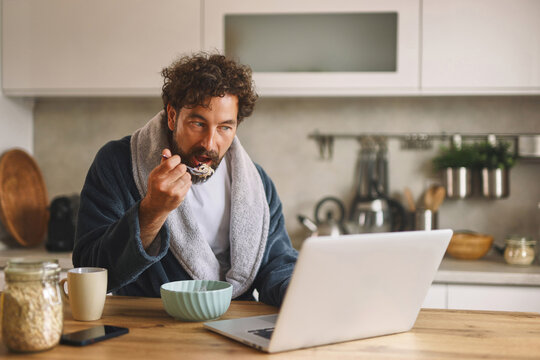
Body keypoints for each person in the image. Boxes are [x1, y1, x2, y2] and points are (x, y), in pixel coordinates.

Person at [73, 53, 298, 307]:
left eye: (225, 127)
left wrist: (303, 293)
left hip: (237, 329)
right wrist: (151, 211)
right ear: (172, 116)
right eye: (198, 123)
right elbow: (89, 268)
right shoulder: (118, 164)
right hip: (150, 329)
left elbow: (277, 265)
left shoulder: (257, 185)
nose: (210, 143)